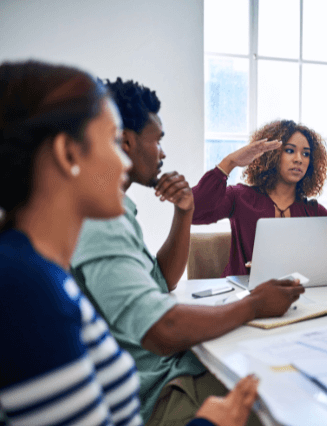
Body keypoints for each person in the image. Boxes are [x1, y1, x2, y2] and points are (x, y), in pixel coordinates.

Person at [0, 60, 258, 426]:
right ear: (68, 154)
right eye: (111, 140)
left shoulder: (39, 271)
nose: (121, 157)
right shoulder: (29, 287)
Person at [70, 78, 304, 426]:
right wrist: (253, 304)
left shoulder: (121, 209)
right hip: (158, 388)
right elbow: (162, 328)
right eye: (158, 141)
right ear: (127, 142)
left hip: (172, 368)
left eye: (304, 153)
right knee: (282, 405)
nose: (162, 153)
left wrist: (184, 212)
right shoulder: (100, 219)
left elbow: (161, 281)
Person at [192, 119, 327, 276]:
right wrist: (229, 163)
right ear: (271, 154)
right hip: (241, 300)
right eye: (289, 151)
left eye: (306, 154)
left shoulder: (314, 212)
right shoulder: (240, 197)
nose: (298, 159)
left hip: (295, 299)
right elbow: (193, 212)